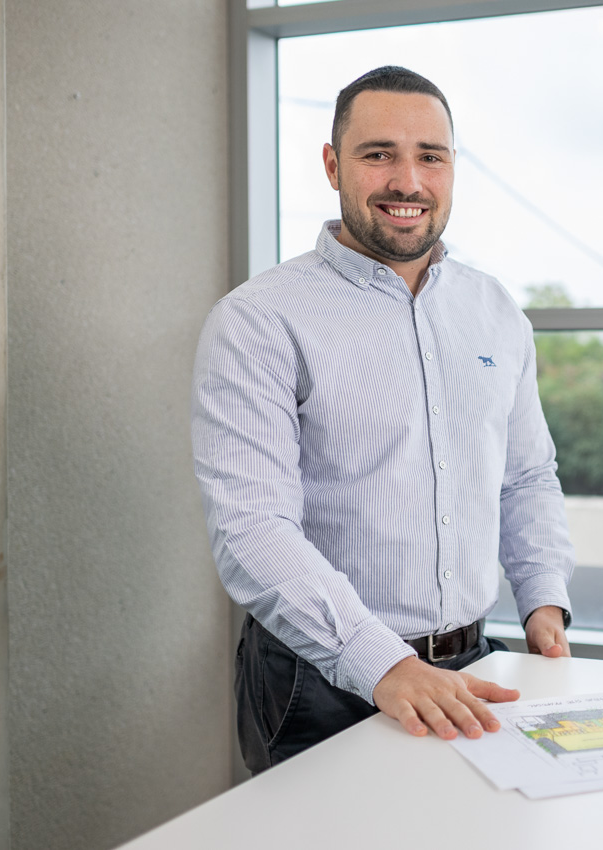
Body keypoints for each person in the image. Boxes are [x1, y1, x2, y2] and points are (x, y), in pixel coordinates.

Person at [191, 66, 574, 774]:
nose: (408, 181)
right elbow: (253, 529)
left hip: (476, 665)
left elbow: (526, 476)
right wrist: (385, 665)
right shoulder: (258, 320)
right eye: (379, 154)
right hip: (317, 684)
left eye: (431, 156)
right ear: (333, 165)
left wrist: (543, 601)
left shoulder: (494, 310)